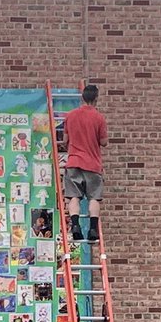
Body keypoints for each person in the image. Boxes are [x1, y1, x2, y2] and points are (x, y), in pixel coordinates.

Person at [61, 84, 109, 243]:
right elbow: (104, 142)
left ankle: (75, 226)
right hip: (93, 164)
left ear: (82, 98)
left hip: (74, 162)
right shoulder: (99, 117)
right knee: (94, 198)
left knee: (73, 197)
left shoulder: (70, 115)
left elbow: (65, 140)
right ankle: (93, 229)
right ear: (96, 99)